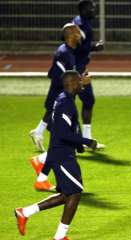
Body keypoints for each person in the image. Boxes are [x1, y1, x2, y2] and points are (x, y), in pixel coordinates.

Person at [15, 70, 97, 240]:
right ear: (72, 83)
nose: (82, 84)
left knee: (67, 195)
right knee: (75, 193)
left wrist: (77, 146)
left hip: (62, 153)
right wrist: (86, 141)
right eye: (80, 81)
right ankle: (59, 237)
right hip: (63, 156)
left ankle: (25, 212)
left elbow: (57, 130)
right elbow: (61, 133)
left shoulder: (62, 99)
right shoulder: (66, 103)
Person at [29, 23, 91, 191]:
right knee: (64, 139)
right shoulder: (63, 53)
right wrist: (77, 82)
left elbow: (65, 74)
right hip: (60, 99)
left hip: (64, 98)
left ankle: (41, 172)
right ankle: (41, 165)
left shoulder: (69, 52)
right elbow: (55, 76)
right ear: (69, 33)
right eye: (77, 31)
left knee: (62, 140)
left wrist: (77, 81)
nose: (80, 34)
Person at [72, 0, 105, 148]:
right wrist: (95, 48)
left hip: (78, 68)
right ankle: (78, 139)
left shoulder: (81, 21)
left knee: (85, 101)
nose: (93, 10)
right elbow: (77, 46)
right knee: (75, 102)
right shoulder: (81, 25)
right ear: (83, 9)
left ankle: (85, 139)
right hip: (76, 70)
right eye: (90, 8)